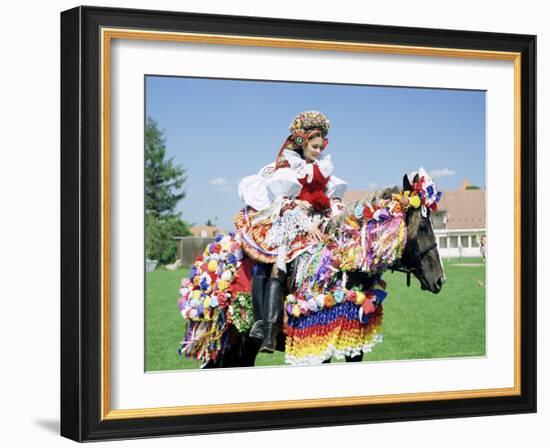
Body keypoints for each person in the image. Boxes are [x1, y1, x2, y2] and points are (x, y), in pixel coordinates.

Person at [233, 111, 348, 353]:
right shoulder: (286, 167)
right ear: (302, 143)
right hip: (288, 223)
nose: (318, 151)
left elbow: (332, 198)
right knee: (275, 265)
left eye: (321, 147)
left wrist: (336, 214)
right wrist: (301, 214)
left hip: (317, 223)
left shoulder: (323, 168)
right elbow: (282, 201)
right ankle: (267, 329)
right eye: (314, 146)